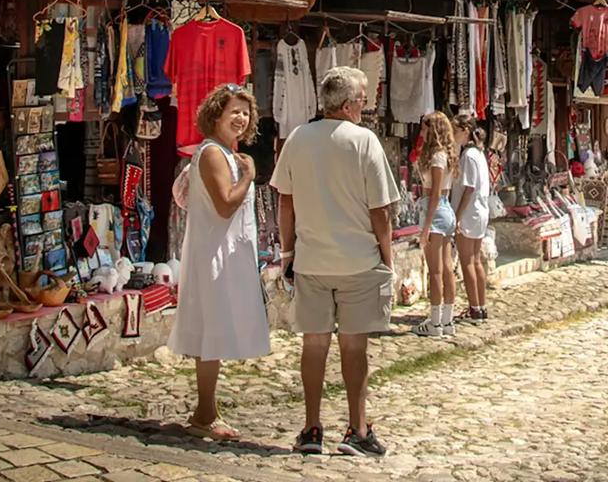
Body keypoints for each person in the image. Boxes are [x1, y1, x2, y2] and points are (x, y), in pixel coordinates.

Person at [272, 66, 400, 457]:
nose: (365, 106)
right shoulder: (364, 142)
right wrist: (387, 257)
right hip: (357, 261)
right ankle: (357, 429)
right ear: (347, 105)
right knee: (354, 350)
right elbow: (381, 210)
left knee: (313, 347)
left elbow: (286, 202)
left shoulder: (298, 139)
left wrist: (288, 252)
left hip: (312, 260)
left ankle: (311, 428)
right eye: (363, 100)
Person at [169, 85, 271, 441]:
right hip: (213, 250)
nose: (241, 118)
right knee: (210, 332)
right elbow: (226, 203)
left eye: (245, 112)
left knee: (214, 331)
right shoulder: (213, 154)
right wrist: (248, 176)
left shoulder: (227, 154)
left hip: (225, 249)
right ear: (216, 115)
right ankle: (205, 414)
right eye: (234, 111)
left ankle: (206, 410)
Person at [412, 111, 458, 337]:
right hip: (443, 210)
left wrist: (426, 227)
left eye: (424, 128)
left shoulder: (438, 157)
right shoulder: (443, 154)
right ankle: (446, 320)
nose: (421, 131)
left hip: (436, 209)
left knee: (436, 272)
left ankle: (436, 322)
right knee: (446, 268)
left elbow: (436, 193)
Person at [451, 114, 491, 322]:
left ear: (465, 131)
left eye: (455, 131)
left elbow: (468, 188)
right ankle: (480, 306)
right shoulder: (479, 154)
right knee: (476, 260)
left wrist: (456, 217)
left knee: (467, 260)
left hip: (469, 212)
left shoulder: (468, 156)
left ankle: (474, 307)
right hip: (480, 211)